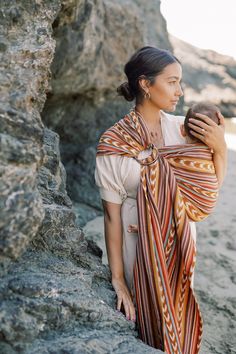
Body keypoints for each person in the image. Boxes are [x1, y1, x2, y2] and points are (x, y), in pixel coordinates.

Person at [94, 46, 227, 353]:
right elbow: (111, 216)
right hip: (136, 247)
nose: (180, 91)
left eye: (180, 82)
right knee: (147, 323)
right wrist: (118, 279)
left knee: (178, 313)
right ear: (145, 83)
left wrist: (220, 150)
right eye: (172, 81)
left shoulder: (183, 131)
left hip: (179, 242)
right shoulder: (113, 142)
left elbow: (206, 192)